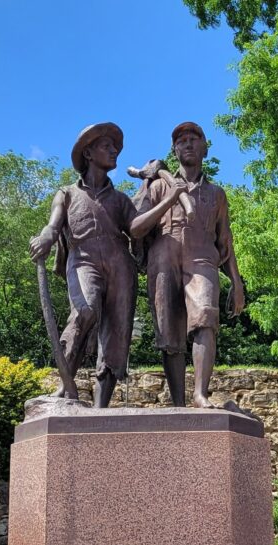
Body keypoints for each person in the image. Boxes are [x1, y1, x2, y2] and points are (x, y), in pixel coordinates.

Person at [30, 122, 185, 408]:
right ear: (88, 153)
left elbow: (136, 229)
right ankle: (66, 386)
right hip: (83, 258)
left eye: (115, 147)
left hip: (120, 265)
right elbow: (54, 225)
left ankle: (101, 409)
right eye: (106, 146)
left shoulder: (119, 199)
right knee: (84, 311)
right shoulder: (66, 194)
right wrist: (45, 237)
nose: (114, 151)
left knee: (116, 335)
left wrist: (170, 200)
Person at [131, 122, 246, 408]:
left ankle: (200, 394)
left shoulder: (217, 194)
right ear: (174, 150)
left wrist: (237, 281)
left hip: (202, 257)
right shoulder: (158, 185)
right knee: (168, 331)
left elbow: (226, 241)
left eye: (195, 139)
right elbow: (134, 227)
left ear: (205, 148)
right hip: (164, 256)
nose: (189, 144)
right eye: (182, 140)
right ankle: (179, 403)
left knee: (206, 317)